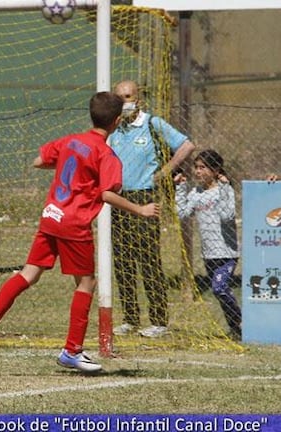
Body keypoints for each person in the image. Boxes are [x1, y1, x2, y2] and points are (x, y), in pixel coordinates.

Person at [0, 92, 160, 372]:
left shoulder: (71, 140)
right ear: (117, 121)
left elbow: (39, 161)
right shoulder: (105, 154)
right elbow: (108, 193)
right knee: (86, 284)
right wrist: (140, 209)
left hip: (51, 216)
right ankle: (72, 350)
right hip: (74, 224)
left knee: (28, 274)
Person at [108, 80, 196, 338]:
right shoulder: (116, 129)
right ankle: (130, 318)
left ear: (139, 99)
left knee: (148, 259)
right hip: (119, 199)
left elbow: (186, 145)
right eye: (119, 99)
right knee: (122, 261)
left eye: (127, 97)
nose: (124, 104)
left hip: (145, 198)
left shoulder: (152, 124)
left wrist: (165, 171)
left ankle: (158, 320)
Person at [174, 150, 241, 339]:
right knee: (220, 292)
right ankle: (235, 329)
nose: (197, 172)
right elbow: (182, 214)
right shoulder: (196, 193)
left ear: (215, 169)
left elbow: (226, 215)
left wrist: (223, 188)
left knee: (219, 288)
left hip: (227, 253)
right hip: (208, 254)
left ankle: (241, 321)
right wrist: (181, 189)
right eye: (196, 167)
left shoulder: (224, 190)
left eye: (202, 168)